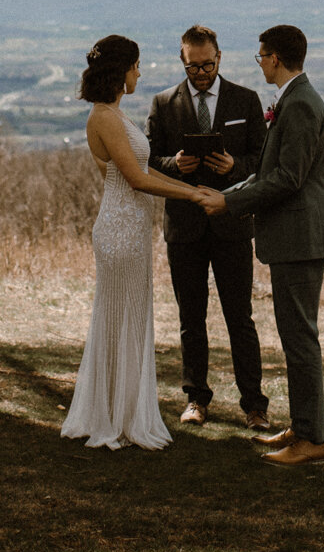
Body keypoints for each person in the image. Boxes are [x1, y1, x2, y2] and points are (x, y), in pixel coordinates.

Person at [200, 24, 324, 467]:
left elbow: (288, 179)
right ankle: (304, 428)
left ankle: (313, 442)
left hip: (299, 239)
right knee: (294, 337)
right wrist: (229, 196)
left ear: (276, 58)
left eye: (261, 55)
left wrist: (229, 203)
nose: (260, 62)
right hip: (292, 238)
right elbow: (271, 173)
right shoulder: (293, 100)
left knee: (300, 339)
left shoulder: (302, 105)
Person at [62, 35, 216, 450]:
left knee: (129, 319)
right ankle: (115, 417)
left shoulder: (114, 115)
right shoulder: (105, 119)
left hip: (129, 227)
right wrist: (191, 195)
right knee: (121, 319)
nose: (139, 72)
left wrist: (193, 188)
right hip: (120, 231)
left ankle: (119, 409)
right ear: (120, 70)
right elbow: (136, 180)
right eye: (136, 66)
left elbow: (144, 171)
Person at [146, 24, 270, 429]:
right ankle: (196, 399)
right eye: (194, 67)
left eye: (208, 65)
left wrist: (236, 166)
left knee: (240, 318)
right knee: (190, 318)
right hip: (184, 229)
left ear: (220, 58)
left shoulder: (246, 100)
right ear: (182, 62)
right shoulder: (163, 104)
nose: (202, 74)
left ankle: (254, 405)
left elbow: (263, 160)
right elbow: (147, 161)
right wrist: (173, 165)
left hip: (232, 225)